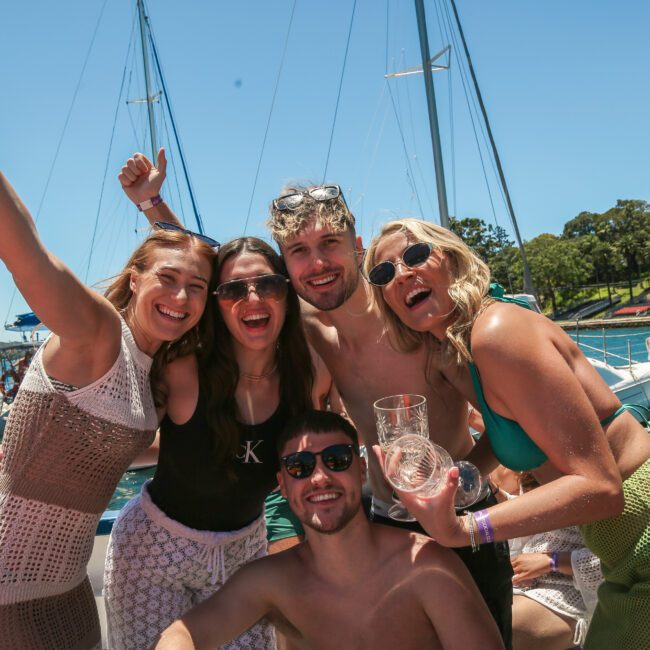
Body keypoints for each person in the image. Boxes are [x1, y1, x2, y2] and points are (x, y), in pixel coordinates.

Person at [117, 151, 514, 645]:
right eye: (300, 251)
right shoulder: (311, 330)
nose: (319, 262)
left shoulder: (417, 325)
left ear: (358, 247)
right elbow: (229, 278)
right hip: (381, 527)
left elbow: (504, 424)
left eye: (330, 243)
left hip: (460, 519)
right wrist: (155, 207)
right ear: (289, 268)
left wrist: (462, 486)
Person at [364, 217, 650, 650]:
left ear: (452, 260)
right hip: (619, 548)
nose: (402, 273)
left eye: (416, 254)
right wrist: (451, 481)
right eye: (384, 273)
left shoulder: (498, 333)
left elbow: (601, 486)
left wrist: (461, 528)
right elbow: (514, 433)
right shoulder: (467, 347)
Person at [104, 198, 337, 647]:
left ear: (287, 293)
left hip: (244, 550)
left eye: (268, 285)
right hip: (152, 550)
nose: (252, 299)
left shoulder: (309, 372)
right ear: (218, 304)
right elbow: (184, 269)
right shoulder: (183, 369)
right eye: (233, 290)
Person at [0, 171, 216, 649]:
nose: (181, 296)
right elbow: (27, 253)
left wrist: (154, 204)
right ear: (135, 279)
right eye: (167, 278)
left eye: (196, 287)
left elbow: (113, 450)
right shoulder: (97, 331)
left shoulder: (152, 372)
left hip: (69, 591)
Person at [153, 410, 504, 650]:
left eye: (336, 460)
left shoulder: (426, 568)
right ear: (282, 484)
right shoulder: (272, 581)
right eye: (300, 466)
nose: (319, 477)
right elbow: (185, 634)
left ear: (362, 470)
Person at [490, 468, 603, 649]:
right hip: (524, 580)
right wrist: (493, 494)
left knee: (490, 626)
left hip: (578, 594)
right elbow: (538, 514)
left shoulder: (617, 477)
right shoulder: (543, 465)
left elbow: (623, 560)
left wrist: (553, 561)